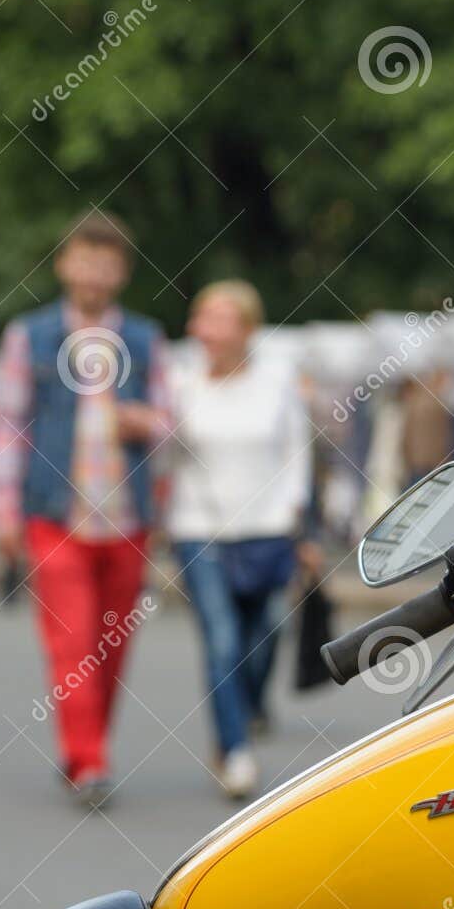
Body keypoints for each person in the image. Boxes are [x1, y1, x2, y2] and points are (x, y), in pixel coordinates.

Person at [0, 211, 169, 807]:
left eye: (106, 262)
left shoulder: (143, 338)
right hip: (54, 512)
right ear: (63, 264)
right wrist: (2, 507)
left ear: (122, 272)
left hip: (128, 516)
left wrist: (150, 425)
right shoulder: (29, 336)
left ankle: (85, 744)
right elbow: (5, 424)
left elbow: (171, 424)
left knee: (110, 646)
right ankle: (89, 760)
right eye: (83, 259)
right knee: (72, 638)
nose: (93, 273)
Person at [166, 280, 320, 799]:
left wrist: (301, 521)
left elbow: (297, 451)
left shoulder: (278, 380)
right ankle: (234, 750)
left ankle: (248, 706)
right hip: (199, 530)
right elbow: (165, 457)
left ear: (246, 328)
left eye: (215, 318)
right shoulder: (179, 381)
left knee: (267, 633)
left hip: (269, 528)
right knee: (222, 640)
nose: (201, 329)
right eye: (198, 318)